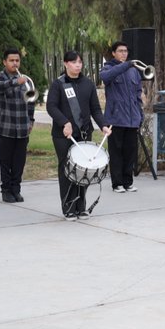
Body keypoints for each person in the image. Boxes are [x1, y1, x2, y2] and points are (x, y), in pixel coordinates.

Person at [46, 51, 110, 218]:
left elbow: (95, 109)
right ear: (66, 63)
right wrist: (64, 122)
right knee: (68, 171)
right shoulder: (58, 84)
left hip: (83, 133)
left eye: (80, 62)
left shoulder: (88, 84)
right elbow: (51, 107)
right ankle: (68, 207)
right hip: (64, 135)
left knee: (83, 172)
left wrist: (103, 125)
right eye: (74, 62)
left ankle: (81, 206)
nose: (78, 65)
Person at [0, 47, 36, 203]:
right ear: (4, 62)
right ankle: (6, 190)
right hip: (4, 128)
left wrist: (31, 120)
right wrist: (15, 82)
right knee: (5, 162)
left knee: (19, 162)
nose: (15, 63)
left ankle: (16, 190)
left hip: (22, 129)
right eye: (11, 60)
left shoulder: (26, 80)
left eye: (17, 60)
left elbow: (31, 102)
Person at [99, 41, 145, 194]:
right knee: (116, 152)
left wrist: (140, 114)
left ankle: (128, 182)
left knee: (130, 152)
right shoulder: (108, 67)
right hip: (115, 119)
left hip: (132, 119)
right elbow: (105, 77)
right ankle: (117, 183)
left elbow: (138, 94)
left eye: (126, 51)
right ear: (113, 53)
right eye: (120, 51)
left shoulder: (134, 71)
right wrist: (126, 65)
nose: (124, 54)